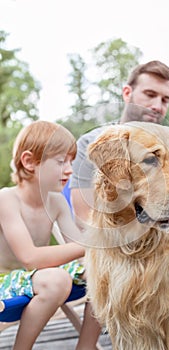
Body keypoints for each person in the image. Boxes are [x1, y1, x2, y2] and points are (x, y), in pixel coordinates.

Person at [68, 60, 169, 293]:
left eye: (165, 100)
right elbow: (84, 213)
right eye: (150, 94)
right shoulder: (92, 142)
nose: (157, 105)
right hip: (115, 243)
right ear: (127, 93)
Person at [0, 120, 101, 350]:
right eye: (60, 161)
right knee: (58, 279)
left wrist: (98, 262)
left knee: (104, 272)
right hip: (4, 280)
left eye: (71, 162)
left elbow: (77, 248)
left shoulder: (55, 201)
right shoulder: (7, 199)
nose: (69, 169)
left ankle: (86, 346)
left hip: (38, 278)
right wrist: (94, 243)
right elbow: (30, 258)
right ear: (29, 162)